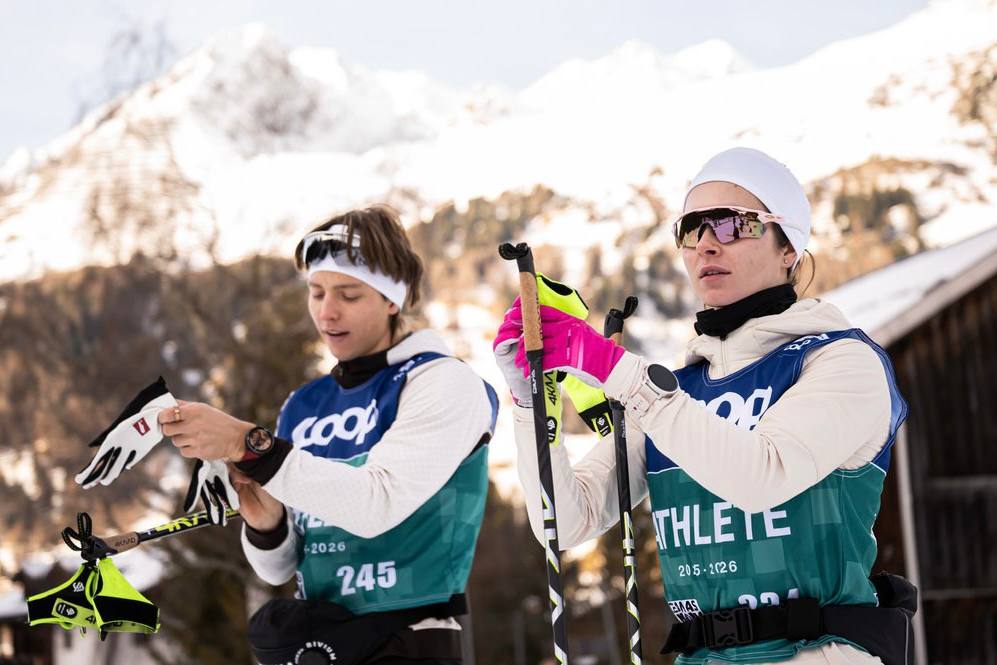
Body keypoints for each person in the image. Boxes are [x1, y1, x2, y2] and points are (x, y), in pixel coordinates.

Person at [494, 148, 913, 665]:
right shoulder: (681, 392)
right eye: (692, 229)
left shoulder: (840, 360)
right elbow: (567, 520)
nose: (707, 243)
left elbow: (762, 477)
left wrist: (619, 372)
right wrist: (532, 403)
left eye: (734, 224)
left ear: (789, 247)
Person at [158, 206, 498, 665]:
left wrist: (250, 445)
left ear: (392, 299)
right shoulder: (303, 405)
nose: (326, 312)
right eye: (316, 292)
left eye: (349, 295)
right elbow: (278, 567)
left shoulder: (443, 383)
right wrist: (266, 523)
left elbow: (377, 503)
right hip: (322, 639)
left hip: (412, 639)